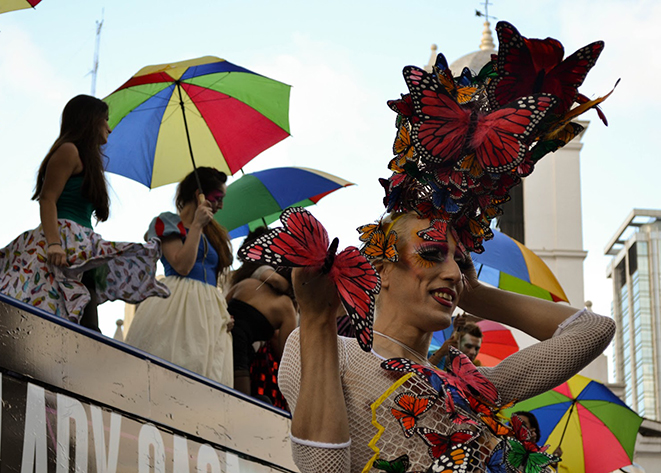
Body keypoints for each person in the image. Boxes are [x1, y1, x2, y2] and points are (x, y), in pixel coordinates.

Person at [276, 23, 615, 472]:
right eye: (432, 254)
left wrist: (472, 292)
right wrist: (318, 321)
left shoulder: (470, 386)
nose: (453, 271)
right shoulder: (324, 348)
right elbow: (323, 469)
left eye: (459, 260)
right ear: (380, 267)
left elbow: (592, 331)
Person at [0, 95, 168, 331]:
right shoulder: (69, 151)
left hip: (80, 247)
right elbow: (47, 198)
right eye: (105, 120)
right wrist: (54, 244)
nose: (110, 128)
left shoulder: (89, 160)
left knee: (84, 319)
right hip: (61, 243)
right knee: (66, 317)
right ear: (90, 120)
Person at [125, 167, 235, 386]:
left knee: (209, 377)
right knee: (176, 366)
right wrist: (196, 225)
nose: (221, 205)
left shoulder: (214, 233)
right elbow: (182, 265)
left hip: (210, 313)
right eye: (217, 198)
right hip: (177, 305)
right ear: (199, 195)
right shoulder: (167, 222)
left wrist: (223, 312)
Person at [226, 228, 298, 395]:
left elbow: (223, 306)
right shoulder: (286, 305)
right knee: (242, 400)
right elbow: (286, 355)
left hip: (220, 339)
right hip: (241, 353)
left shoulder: (245, 283)